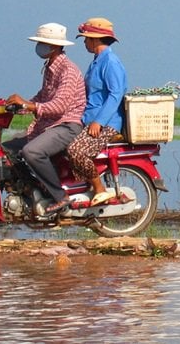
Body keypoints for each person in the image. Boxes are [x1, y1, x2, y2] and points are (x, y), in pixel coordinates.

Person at [3, 23, 87, 212]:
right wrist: (18, 106)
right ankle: (31, 188)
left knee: (32, 152)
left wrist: (27, 105)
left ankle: (60, 196)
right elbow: (42, 97)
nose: (40, 45)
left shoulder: (68, 70)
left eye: (43, 42)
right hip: (51, 125)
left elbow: (59, 106)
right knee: (6, 149)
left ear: (55, 46)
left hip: (67, 125)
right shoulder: (51, 68)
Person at [59, 17, 128, 213]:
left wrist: (99, 121)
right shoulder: (97, 62)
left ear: (95, 39)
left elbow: (116, 94)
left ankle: (99, 188)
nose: (84, 42)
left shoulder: (111, 62)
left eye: (86, 38)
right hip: (89, 120)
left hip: (107, 123)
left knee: (76, 151)